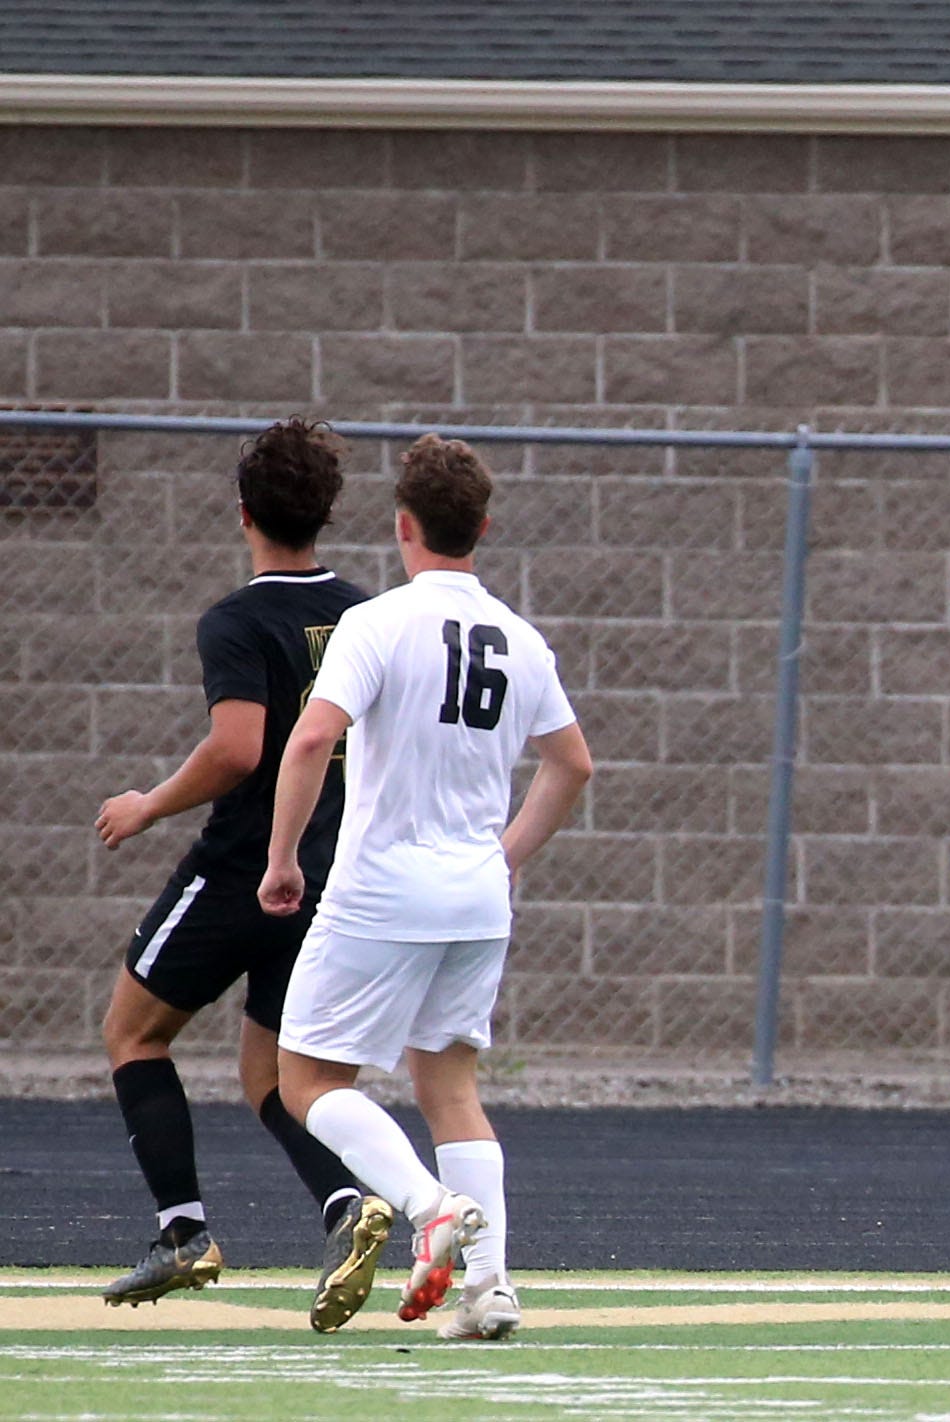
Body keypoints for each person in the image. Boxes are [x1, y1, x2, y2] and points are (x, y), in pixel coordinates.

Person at [262, 434, 593, 1342]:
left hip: (383, 888)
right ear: (480, 528)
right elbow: (572, 765)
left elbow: (305, 741)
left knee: (305, 1077)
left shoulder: (377, 623)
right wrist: (506, 854)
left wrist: (282, 859)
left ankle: (424, 1207)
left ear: (402, 526)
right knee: (450, 1085)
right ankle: (489, 1291)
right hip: (476, 897)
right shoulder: (521, 639)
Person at [90, 418, 390, 1328]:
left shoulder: (235, 617)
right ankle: (348, 1205)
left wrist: (146, 804)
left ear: (244, 513)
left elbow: (235, 749)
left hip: (243, 868)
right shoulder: (370, 614)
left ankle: (183, 1233)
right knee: (274, 1074)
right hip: (333, 874)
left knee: (134, 1033)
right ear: (326, 513)